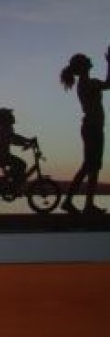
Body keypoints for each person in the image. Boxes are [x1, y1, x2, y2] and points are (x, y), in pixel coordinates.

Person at [58, 48, 108, 216]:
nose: (89, 60)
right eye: (87, 59)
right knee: (90, 166)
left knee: (92, 167)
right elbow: (108, 84)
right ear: (83, 66)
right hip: (93, 128)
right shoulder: (88, 83)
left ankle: (84, 204)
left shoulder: (86, 83)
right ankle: (77, 203)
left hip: (92, 127)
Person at [0, 107, 34, 192]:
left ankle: (11, 183)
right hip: (2, 157)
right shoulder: (5, 129)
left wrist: (26, 142)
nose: (12, 117)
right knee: (21, 164)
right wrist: (27, 141)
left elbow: (13, 140)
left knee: (19, 165)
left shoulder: (4, 129)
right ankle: (13, 185)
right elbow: (14, 139)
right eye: (10, 115)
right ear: (5, 118)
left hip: (3, 156)